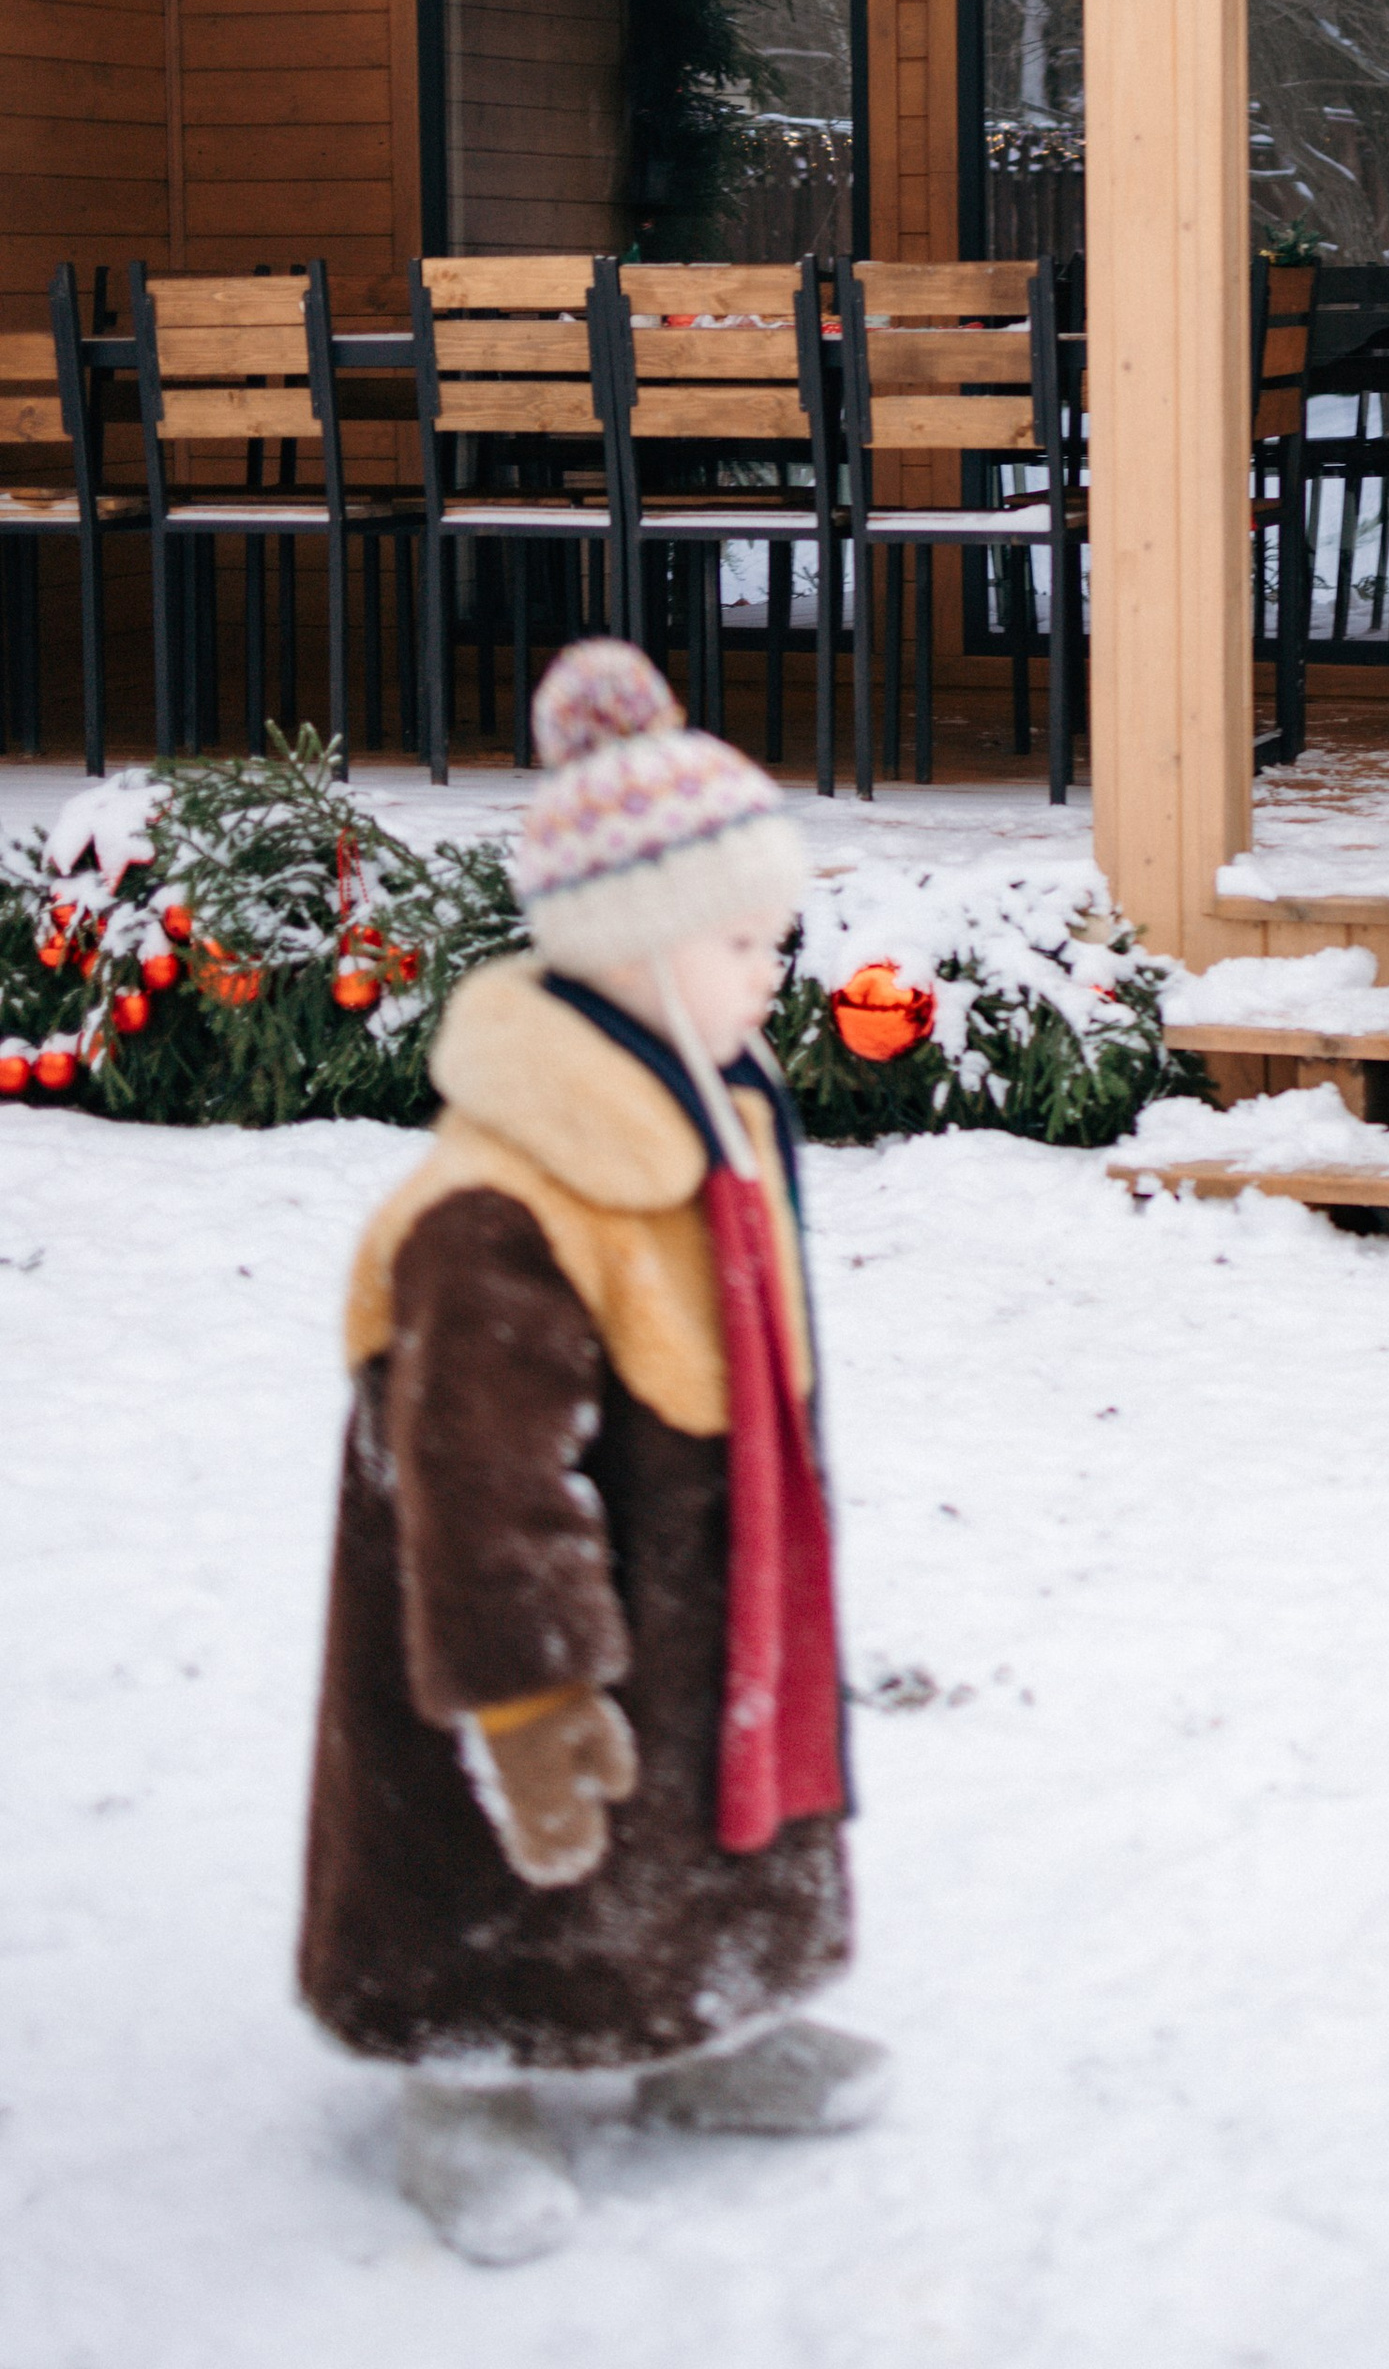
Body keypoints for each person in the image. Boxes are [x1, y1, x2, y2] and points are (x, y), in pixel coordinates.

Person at [297, 642, 883, 2265]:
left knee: (695, 1777)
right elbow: (480, 1482)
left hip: (695, 1532)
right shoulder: (502, 1201)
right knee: (509, 1835)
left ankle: (697, 2016)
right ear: (628, 949)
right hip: (504, 1615)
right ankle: (464, 2078)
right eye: (743, 940)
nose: (775, 969)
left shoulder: (712, 1097)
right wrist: (532, 1690)